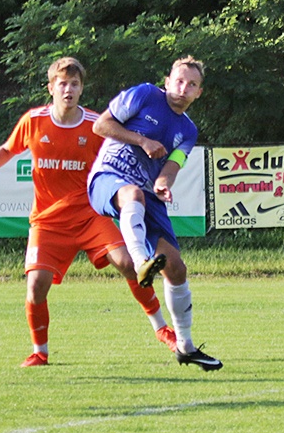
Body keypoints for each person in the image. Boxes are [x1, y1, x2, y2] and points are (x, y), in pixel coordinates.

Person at [0, 57, 178, 367]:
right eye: (62, 84)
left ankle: (162, 329)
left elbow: (117, 158)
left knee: (129, 264)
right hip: (48, 220)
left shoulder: (95, 125)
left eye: (75, 84)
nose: (68, 89)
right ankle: (40, 351)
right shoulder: (34, 121)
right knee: (36, 284)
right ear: (51, 87)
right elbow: (9, 149)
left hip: (90, 214)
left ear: (81, 89)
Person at [87, 56, 223, 371]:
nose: (183, 88)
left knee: (176, 268)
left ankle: (186, 348)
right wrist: (142, 140)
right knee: (131, 193)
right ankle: (139, 261)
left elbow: (171, 167)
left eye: (191, 85)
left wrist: (163, 184)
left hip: (148, 195)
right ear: (167, 81)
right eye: (179, 80)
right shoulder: (146, 94)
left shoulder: (188, 130)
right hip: (109, 177)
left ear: (199, 93)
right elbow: (101, 125)